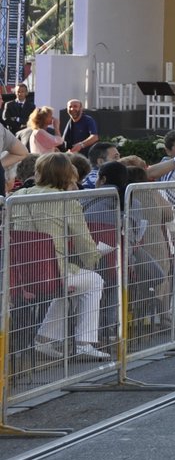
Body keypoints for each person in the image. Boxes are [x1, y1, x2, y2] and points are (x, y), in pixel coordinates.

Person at [14, 152, 110, 360]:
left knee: (71, 288)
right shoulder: (68, 202)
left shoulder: (17, 197)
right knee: (93, 281)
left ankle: (44, 340)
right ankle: (84, 343)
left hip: (17, 274)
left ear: (38, 172)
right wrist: (95, 256)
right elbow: (85, 246)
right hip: (52, 273)